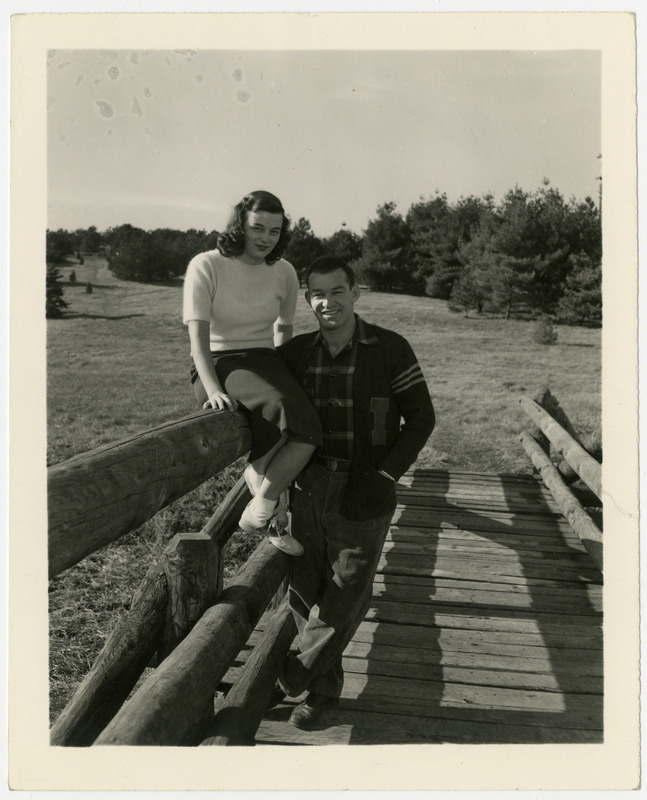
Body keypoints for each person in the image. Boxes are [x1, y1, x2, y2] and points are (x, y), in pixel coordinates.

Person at [276, 255, 435, 729]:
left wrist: (385, 475)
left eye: (337, 291)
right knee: (307, 591)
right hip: (308, 483)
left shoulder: (389, 348)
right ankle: (322, 695)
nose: (328, 302)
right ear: (308, 299)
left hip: (366, 485)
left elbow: (421, 418)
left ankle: (285, 676)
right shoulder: (297, 354)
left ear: (355, 293)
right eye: (317, 293)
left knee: (347, 591)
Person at [182, 190, 323, 556]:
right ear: (239, 225)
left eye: (274, 232)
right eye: (257, 228)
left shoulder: (285, 272)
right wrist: (212, 390)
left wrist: (285, 375)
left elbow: (283, 332)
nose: (265, 238)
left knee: (310, 426)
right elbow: (197, 341)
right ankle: (267, 514)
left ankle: (259, 505)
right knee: (285, 412)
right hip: (219, 362)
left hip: (266, 361)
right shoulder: (206, 264)